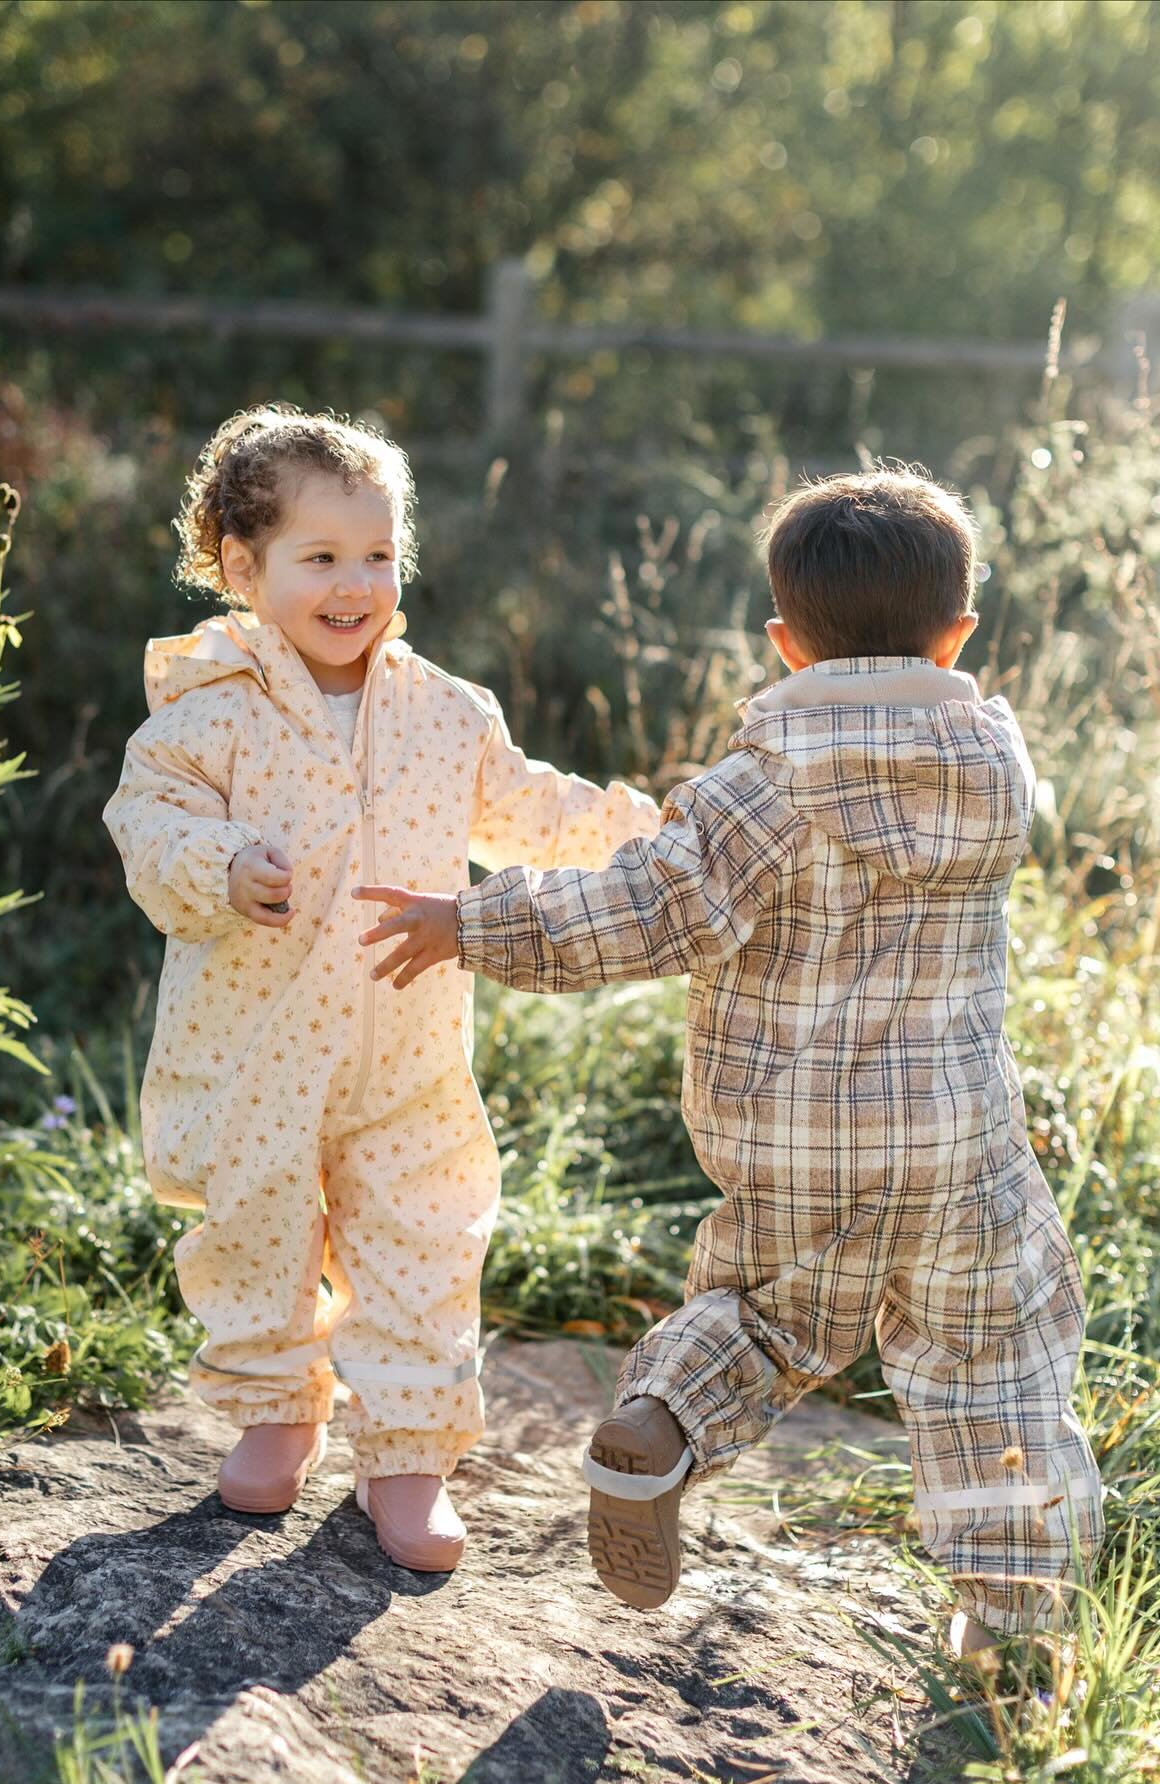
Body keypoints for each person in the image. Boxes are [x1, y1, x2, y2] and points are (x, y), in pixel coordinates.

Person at [357, 466, 1103, 1648]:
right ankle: (1016, 1622)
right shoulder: (994, 773)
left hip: (793, 1142)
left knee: (762, 1316)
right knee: (995, 1363)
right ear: (960, 632)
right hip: (962, 1149)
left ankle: (662, 1419)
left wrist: (478, 921)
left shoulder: (766, 784)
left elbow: (649, 907)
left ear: (785, 643)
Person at [104, 404, 659, 1573]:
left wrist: (657, 834)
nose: (356, 584)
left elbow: (533, 808)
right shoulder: (206, 712)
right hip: (252, 1042)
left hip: (405, 1050)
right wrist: (220, 863)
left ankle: (406, 1458)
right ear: (242, 567)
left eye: (377, 553)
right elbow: (146, 827)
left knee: (423, 1233)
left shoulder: (441, 710)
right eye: (321, 558)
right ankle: (276, 1409)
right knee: (256, 1227)